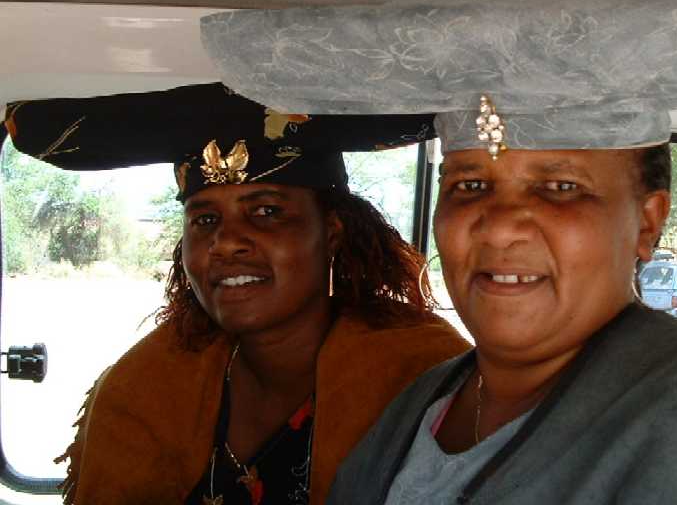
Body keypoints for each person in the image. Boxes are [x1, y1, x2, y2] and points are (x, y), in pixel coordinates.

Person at [202, 0, 677, 503]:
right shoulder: (431, 399)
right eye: (469, 186)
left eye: (560, 188)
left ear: (648, 224)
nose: (499, 224)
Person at [5, 83, 470, 505]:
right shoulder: (145, 387)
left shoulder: (429, 379)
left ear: (331, 233)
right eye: (204, 220)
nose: (225, 242)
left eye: (266, 211)